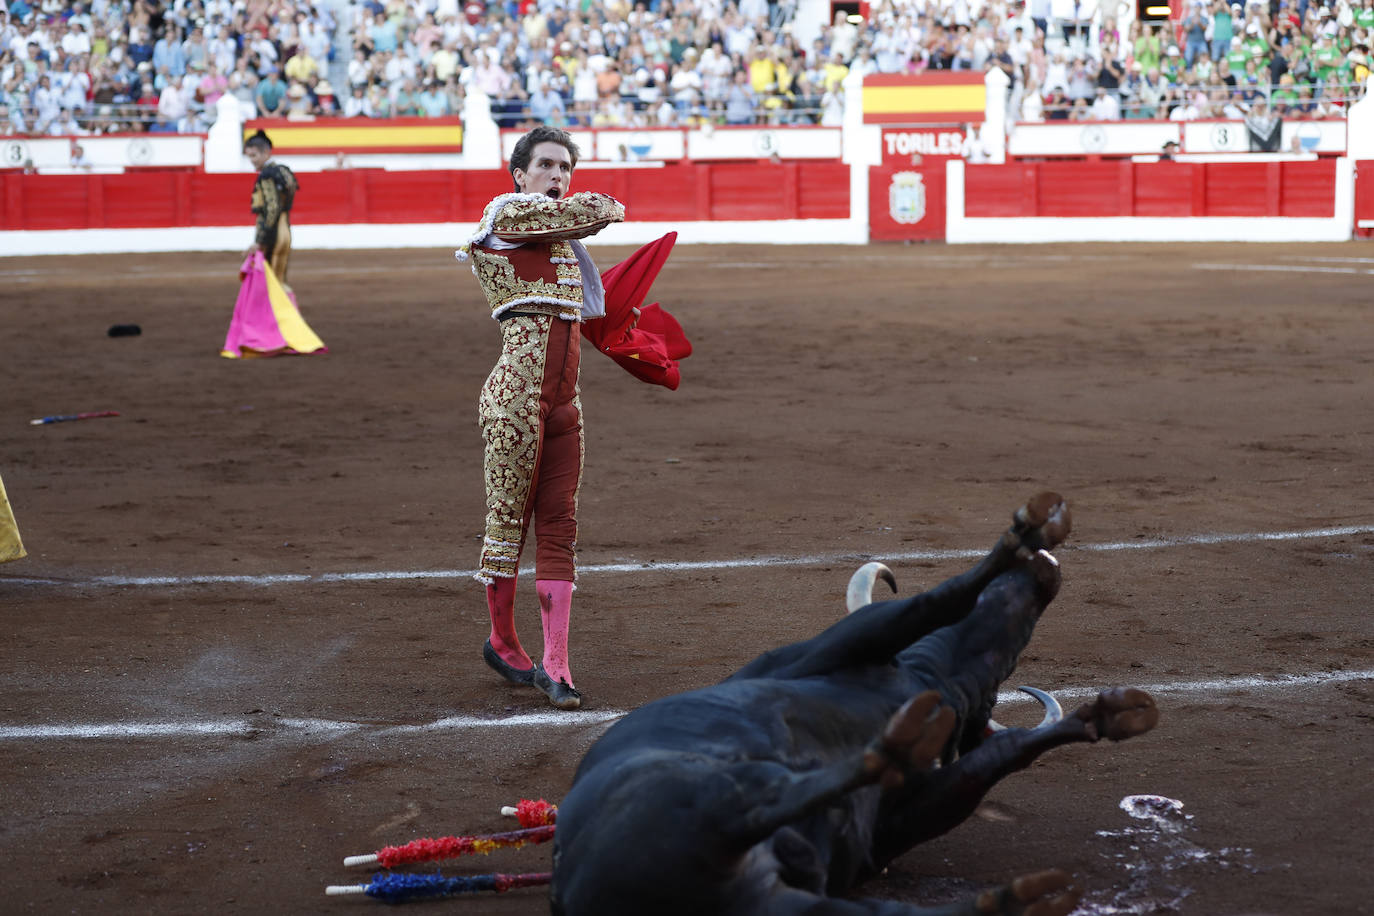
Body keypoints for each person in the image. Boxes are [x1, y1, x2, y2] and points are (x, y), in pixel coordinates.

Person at [455, 126, 626, 711]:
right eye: (548, 166)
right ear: (519, 175)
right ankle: (504, 641)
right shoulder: (505, 219)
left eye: (566, 168)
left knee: (560, 527)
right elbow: (593, 208)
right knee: (508, 525)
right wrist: (599, 204)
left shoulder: (566, 246)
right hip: (514, 405)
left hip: (563, 406)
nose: (559, 177)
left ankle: (557, 664)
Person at [242, 129, 298, 285]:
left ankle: (274, 310)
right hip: (285, 229)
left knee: (269, 281)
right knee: (280, 278)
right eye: (249, 156)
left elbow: (272, 208)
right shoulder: (283, 170)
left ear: (266, 153)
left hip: (273, 233)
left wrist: (261, 240)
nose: (252, 160)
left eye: (254, 156)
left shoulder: (266, 175)